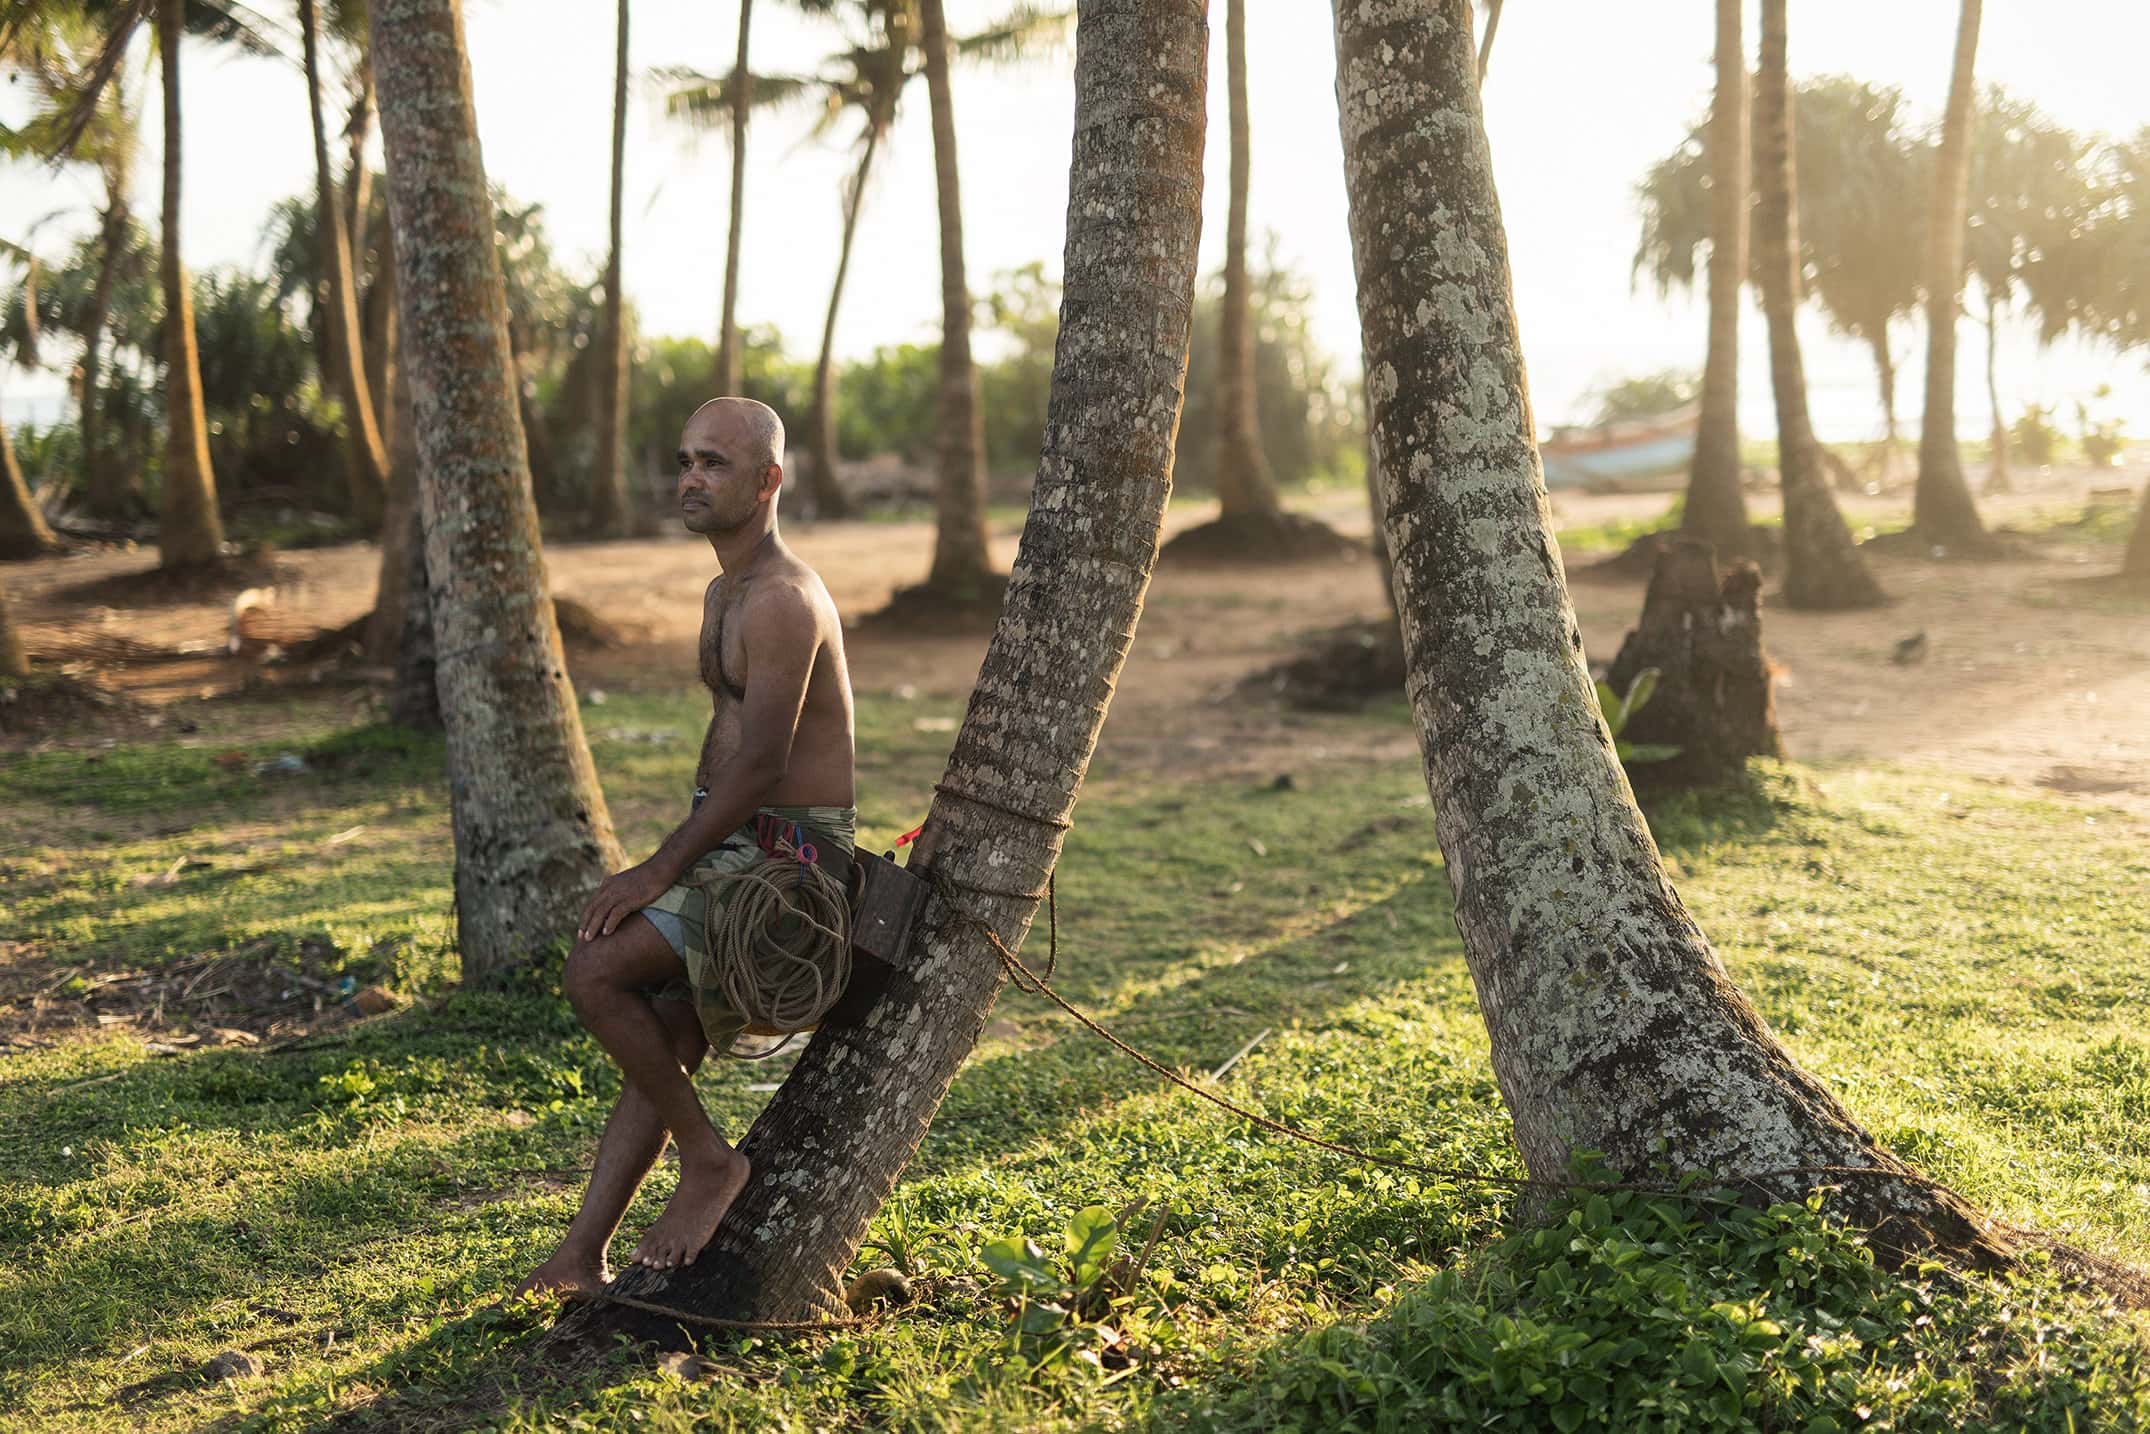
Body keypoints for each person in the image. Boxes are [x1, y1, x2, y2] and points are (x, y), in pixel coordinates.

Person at [516, 397, 857, 1296]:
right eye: (686, 461)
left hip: (790, 861)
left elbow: (761, 766)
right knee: (659, 1028)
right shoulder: (725, 590)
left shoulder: (782, 600)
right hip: (737, 843)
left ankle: (710, 1161)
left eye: (713, 463)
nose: (691, 479)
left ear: (767, 481)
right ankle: (582, 1252)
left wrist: (660, 868)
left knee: (595, 973)